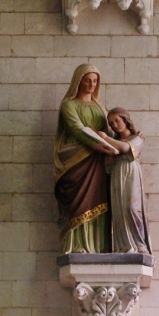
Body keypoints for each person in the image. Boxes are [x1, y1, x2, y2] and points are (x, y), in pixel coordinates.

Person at [54, 65, 112, 254]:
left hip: (98, 162)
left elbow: (111, 131)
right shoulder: (69, 105)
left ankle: (98, 246)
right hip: (76, 160)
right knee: (79, 201)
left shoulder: (100, 107)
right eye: (87, 80)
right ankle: (76, 244)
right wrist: (96, 144)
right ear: (78, 81)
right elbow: (76, 128)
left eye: (95, 81)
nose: (91, 84)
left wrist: (131, 136)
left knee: (98, 200)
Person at [100, 107, 151, 254]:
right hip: (117, 174)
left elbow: (125, 148)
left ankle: (140, 244)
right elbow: (108, 165)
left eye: (117, 120)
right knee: (119, 210)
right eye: (111, 123)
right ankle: (124, 246)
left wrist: (105, 138)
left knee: (132, 208)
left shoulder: (137, 137)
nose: (115, 125)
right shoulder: (114, 141)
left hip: (131, 173)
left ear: (125, 119)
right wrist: (108, 152)